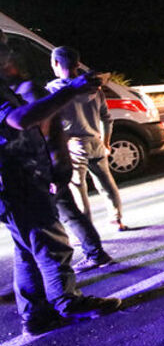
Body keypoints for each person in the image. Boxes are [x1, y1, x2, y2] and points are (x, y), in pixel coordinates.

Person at [0, 41, 122, 336]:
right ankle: (68, 303)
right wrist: (72, 89)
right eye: (3, 47)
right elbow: (21, 119)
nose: (9, 53)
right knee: (53, 243)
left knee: (27, 249)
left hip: (19, 178)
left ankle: (36, 316)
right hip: (16, 180)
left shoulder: (10, 84)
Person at [46, 47, 126, 231]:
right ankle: (116, 219)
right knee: (106, 183)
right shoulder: (94, 88)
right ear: (77, 64)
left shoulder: (53, 90)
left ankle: (87, 229)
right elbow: (106, 118)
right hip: (96, 141)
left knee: (78, 188)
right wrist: (106, 142)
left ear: (56, 63)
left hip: (73, 145)